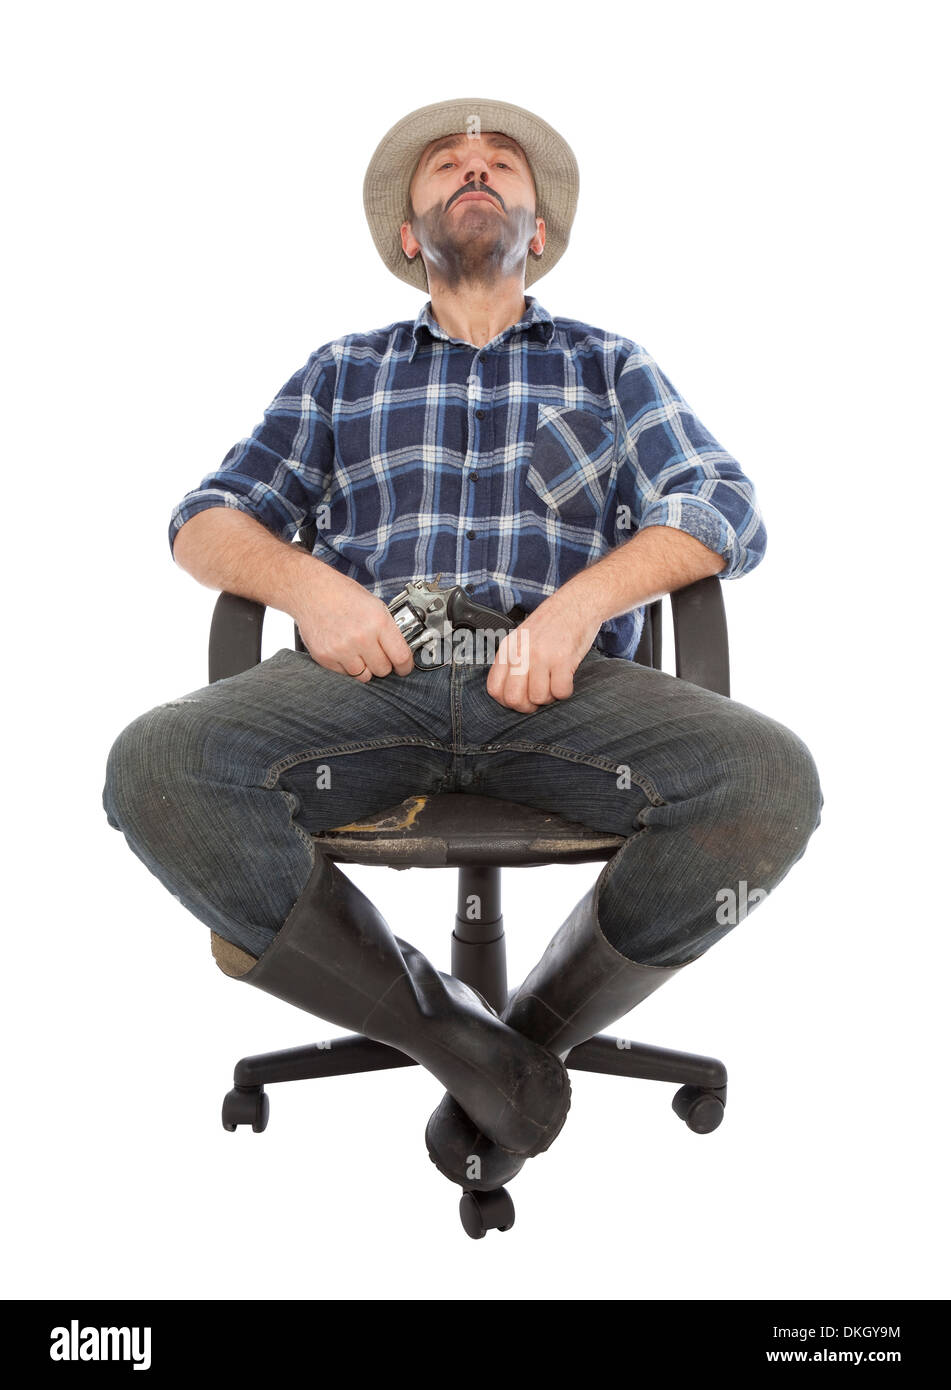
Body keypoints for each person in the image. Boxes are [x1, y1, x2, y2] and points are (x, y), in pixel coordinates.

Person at [102, 97, 823, 1192]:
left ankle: (523, 1037)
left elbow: (723, 504)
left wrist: (581, 604)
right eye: (448, 165)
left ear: (537, 231)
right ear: (410, 234)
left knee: (770, 782)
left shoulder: (607, 366)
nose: (474, 170)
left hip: (561, 692)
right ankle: (468, 1045)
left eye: (500, 165)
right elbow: (206, 520)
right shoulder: (344, 370)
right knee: (155, 766)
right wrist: (314, 590)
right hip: (369, 682)